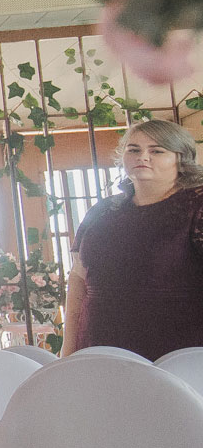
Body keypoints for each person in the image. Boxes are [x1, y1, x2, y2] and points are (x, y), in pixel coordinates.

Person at [62, 117, 203, 359]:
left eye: (157, 150)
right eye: (133, 149)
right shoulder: (102, 211)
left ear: (181, 159)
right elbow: (78, 279)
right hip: (98, 348)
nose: (143, 157)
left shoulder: (198, 206)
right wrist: (68, 350)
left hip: (178, 352)